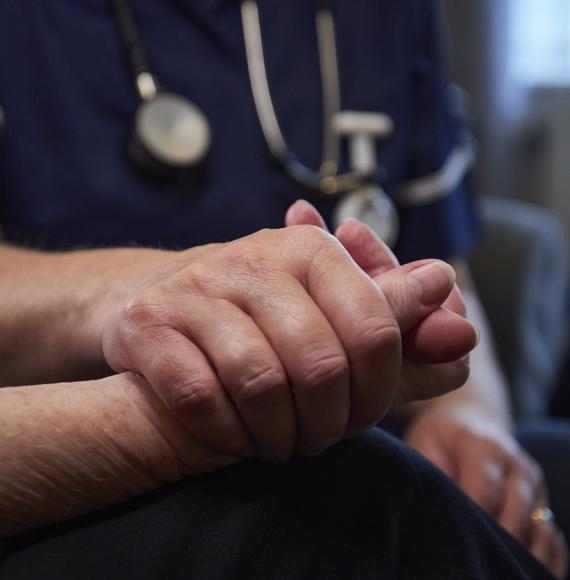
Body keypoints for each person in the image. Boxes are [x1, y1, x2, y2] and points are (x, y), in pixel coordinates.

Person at [0, 0, 567, 577]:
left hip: (364, 423)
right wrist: (153, 295)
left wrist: (470, 420)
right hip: (116, 464)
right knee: (343, 499)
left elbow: (445, 278)